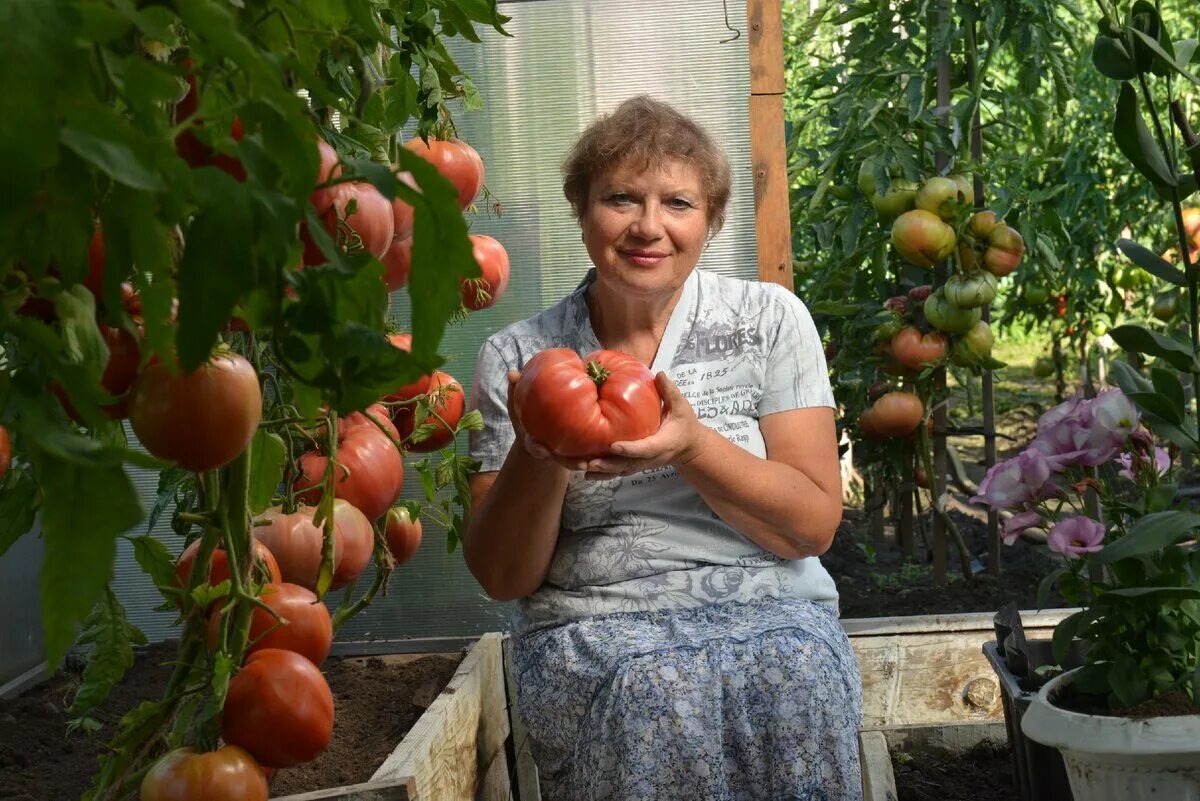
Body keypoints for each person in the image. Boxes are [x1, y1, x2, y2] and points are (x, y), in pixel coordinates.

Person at [464, 95, 862, 801]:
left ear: (710, 219)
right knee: (655, 689)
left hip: (772, 608)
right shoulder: (521, 357)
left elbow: (813, 523)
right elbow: (502, 576)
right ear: (582, 212)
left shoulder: (769, 322)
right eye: (620, 198)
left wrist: (692, 447)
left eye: (677, 202)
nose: (649, 226)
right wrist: (540, 449)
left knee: (793, 673)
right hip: (594, 626)